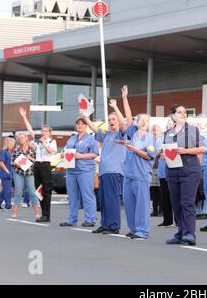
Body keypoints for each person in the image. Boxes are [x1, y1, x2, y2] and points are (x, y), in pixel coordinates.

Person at [83, 96, 127, 235]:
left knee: (111, 198)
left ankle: (113, 225)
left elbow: (123, 123)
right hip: (103, 171)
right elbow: (95, 128)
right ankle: (105, 223)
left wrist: (115, 107)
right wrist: (86, 118)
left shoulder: (121, 134)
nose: (111, 122)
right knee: (103, 199)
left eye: (113, 119)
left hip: (114, 171)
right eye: (109, 120)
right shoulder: (106, 134)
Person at [164, 104, 205, 246]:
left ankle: (189, 233)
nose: (182, 114)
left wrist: (185, 151)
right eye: (179, 112)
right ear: (173, 116)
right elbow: (166, 149)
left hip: (189, 170)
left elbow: (202, 148)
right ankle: (180, 232)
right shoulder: (168, 133)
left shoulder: (193, 130)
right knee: (176, 203)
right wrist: (165, 154)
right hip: (172, 170)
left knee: (187, 202)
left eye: (184, 112)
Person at [19, 107, 57, 223]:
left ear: (50, 133)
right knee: (38, 190)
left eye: (46, 131)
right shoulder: (38, 140)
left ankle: (47, 215)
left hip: (46, 165)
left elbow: (51, 152)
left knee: (46, 190)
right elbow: (30, 130)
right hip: (37, 165)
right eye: (42, 131)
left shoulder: (51, 142)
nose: (43, 133)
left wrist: (43, 144)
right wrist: (24, 116)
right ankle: (43, 214)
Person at [122, 113, 157, 240]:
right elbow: (126, 118)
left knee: (142, 204)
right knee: (129, 203)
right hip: (128, 174)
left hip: (141, 175)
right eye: (140, 120)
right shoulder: (133, 135)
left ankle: (142, 230)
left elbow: (149, 155)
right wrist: (125, 98)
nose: (143, 122)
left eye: (145, 120)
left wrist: (135, 149)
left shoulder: (150, 137)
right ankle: (134, 228)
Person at [59, 117, 99, 227]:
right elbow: (67, 151)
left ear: (86, 126)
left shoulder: (91, 139)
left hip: (85, 170)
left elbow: (95, 154)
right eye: (78, 123)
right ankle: (72, 219)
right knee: (72, 196)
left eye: (82, 123)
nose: (80, 125)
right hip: (71, 170)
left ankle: (90, 219)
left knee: (87, 195)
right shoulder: (71, 139)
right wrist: (63, 155)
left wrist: (80, 156)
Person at [11, 134, 41, 219]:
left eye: (22, 138)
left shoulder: (32, 149)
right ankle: (14, 213)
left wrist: (31, 159)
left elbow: (38, 161)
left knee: (32, 192)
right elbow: (11, 162)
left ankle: (37, 213)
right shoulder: (16, 150)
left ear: (26, 139)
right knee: (18, 192)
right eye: (19, 138)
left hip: (30, 173)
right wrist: (16, 164)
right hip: (18, 173)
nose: (20, 139)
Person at [157, 119, 175, 227]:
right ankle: (167, 220)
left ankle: (178, 220)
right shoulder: (162, 138)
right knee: (165, 196)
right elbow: (156, 151)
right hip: (163, 171)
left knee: (174, 196)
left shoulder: (177, 138)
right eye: (168, 126)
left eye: (171, 125)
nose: (169, 127)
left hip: (173, 170)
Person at [0, 137, 16, 210]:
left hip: (10, 173)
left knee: (5, 189)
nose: (13, 146)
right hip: (5, 173)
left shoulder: (9, 152)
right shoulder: (4, 151)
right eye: (12, 144)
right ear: (9, 144)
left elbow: (9, 162)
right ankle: (8, 205)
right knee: (8, 190)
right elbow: (1, 163)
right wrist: (8, 171)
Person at [150, 124, 163, 217]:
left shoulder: (161, 140)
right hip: (151, 166)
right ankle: (154, 209)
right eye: (153, 130)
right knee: (153, 189)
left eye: (157, 130)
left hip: (159, 166)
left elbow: (158, 150)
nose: (155, 132)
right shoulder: (150, 140)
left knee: (159, 189)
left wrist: (152, 155)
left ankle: (161, 210)